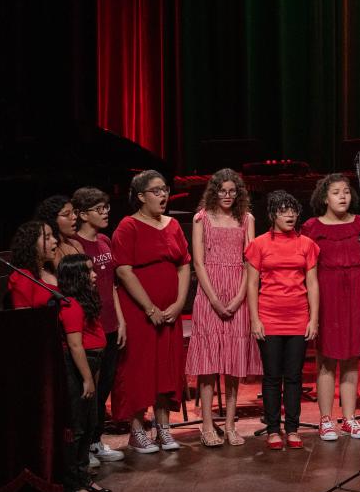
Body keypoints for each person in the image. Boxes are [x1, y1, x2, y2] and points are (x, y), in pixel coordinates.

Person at [112, 170, 191, 454]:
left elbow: (184, 264)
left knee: (166, 368)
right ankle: (136, 431)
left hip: (170, 312)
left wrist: (179, 303)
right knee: (139, 367)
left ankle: (163, 428)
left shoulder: (173, 225)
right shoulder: (128, 226)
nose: (163, 195)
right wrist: (149, 308)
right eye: (156, 191)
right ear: (141, 196)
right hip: (139, 311)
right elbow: (123, 271)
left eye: (165, 189)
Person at [186, 169, 260, 447]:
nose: (227, 196)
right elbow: (198, 262)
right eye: (222, 191)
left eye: (232, 191)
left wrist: (240, 297)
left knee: (233, 362)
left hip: (238, 289)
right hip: (210, 291)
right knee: (208, 362)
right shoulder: (201, 218)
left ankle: (229, 425)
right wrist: (215, 300)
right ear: (214, 191)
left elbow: (250, 261)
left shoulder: (246, 219)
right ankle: (207, 425)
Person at [302, 173, 360, 440]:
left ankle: (349, 418)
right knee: (326, 359)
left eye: (346, 191)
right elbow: (307, 270)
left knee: (352, 358)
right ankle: (325, 419)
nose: (343, 196)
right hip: (327, 295)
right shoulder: (312, 227)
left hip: (356, 295)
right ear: (325, 197)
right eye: (336, 192)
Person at [246, 190, 320, 451]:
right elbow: (252, 284)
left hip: (298, 318)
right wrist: (255, 320)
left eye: (293, 210)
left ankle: (292, 428)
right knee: (272, 377)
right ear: (272, 215)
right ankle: (273, 429)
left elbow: (312, 284)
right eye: (283, 211)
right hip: (269, 317)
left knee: (294, 377)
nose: (290, 215)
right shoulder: (259, 244)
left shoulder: (307, 244)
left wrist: (314, 318)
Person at [71, 187, 127, 464]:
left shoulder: (105, 240)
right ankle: (83, 447)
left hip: (111, 324)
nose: (105, 213)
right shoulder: (74, 245)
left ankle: (95, 441)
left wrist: (121, 320)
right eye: (99, 209)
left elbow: (112, 286)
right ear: (82, 214)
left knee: (105, 385)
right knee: (90, 390)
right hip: (91, 328)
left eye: (106, 208)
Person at [57, 254, 111, 492]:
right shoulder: (70, 305)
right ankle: (72, 484)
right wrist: (88, 379)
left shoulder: (84, 301)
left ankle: (83, 477)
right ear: (76, 276)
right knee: (77, 428)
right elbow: (75, 345)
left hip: (92, 363)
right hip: (79, 367)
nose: (94, 275)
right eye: (89, 271)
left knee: (90, 423)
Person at [7, 220, 59, 308]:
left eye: (53, 236)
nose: (55, 240)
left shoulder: (49, 269)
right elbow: (23, 313)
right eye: (47, 238)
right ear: (32, 244)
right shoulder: (23, 276)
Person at [34, 195, 84, 267]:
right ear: (52, 220)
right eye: (66, 214)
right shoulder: (50, 252)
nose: (75, 217)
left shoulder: (76, 244)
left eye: (74, 212)